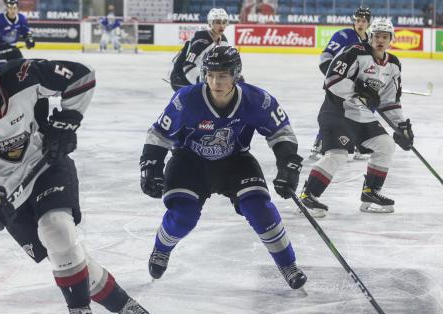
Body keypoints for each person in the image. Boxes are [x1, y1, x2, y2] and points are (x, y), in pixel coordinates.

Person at [0, 40, 157, 314]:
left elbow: (81, 76)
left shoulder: (23, 76)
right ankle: (124, 304)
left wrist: (66, 123)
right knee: (63, 251)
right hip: (8, 192)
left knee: (57, 229)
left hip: (46, 165)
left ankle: (79, 310)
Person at [140, 46, 307, 290]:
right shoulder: (187, 99)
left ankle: (287, 264)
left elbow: (280, 132)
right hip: (190, 162)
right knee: (183, 216)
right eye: (210, 75)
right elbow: (159, 133)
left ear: (236, 74)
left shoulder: (257, 99)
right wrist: (151, 166)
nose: (215, 82)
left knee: (260, 210)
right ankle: (161, 249)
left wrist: (288, 164)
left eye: (223, 75)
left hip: (235, 161)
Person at [299, 18, 414, 217]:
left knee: (386, 144)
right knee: (339, 154)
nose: (380, 40)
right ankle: (308, 194)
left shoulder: (393, 65)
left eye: (384, 37)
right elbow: (332, 79)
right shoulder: (355, 52)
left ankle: (371, 192)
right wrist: (358, 89)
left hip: (362, 116)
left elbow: (389, 102)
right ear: (370, 37)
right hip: (337, 112)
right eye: (376, 35)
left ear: (390, 40)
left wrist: (401, 127)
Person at [310, 7, 371, 160]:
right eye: (357, 20)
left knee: (361, 111)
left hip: (354, 85)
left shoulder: (369, 40)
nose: (360, 24)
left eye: (363, 21)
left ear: (368, 23)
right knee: (332, 113)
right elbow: (325, 58)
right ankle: (319, 144)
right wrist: (336, 79)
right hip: (338, 84)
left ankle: (358, 144)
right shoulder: (343, 35)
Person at [169, 8, 230, 92]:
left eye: (224, 22)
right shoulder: (202, 41)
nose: (221, 26)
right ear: (210, 23)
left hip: (201, 78)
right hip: (180, 78)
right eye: (218, 22)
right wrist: (203, 82)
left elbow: (221, 63)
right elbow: (188, 65)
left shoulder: (223, 40)